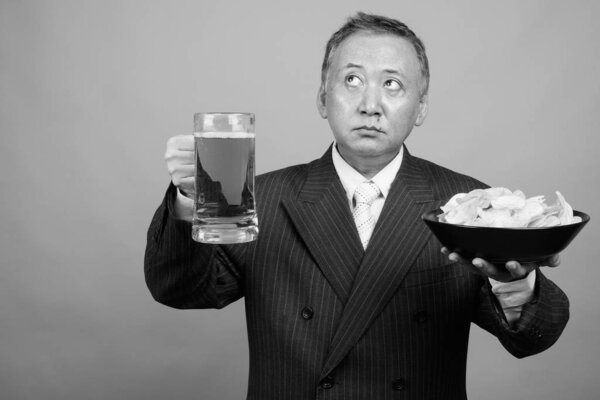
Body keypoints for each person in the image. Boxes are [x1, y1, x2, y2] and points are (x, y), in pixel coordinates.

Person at [145, 12, 569, 400]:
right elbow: (180, 290)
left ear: (420, 108)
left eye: (392, 84)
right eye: (352, 80)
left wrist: (514, 282)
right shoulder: (259, 197)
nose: (370, 105)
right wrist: (190, 197)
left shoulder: (466, 206)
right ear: (322, 99)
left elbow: (533, 339)